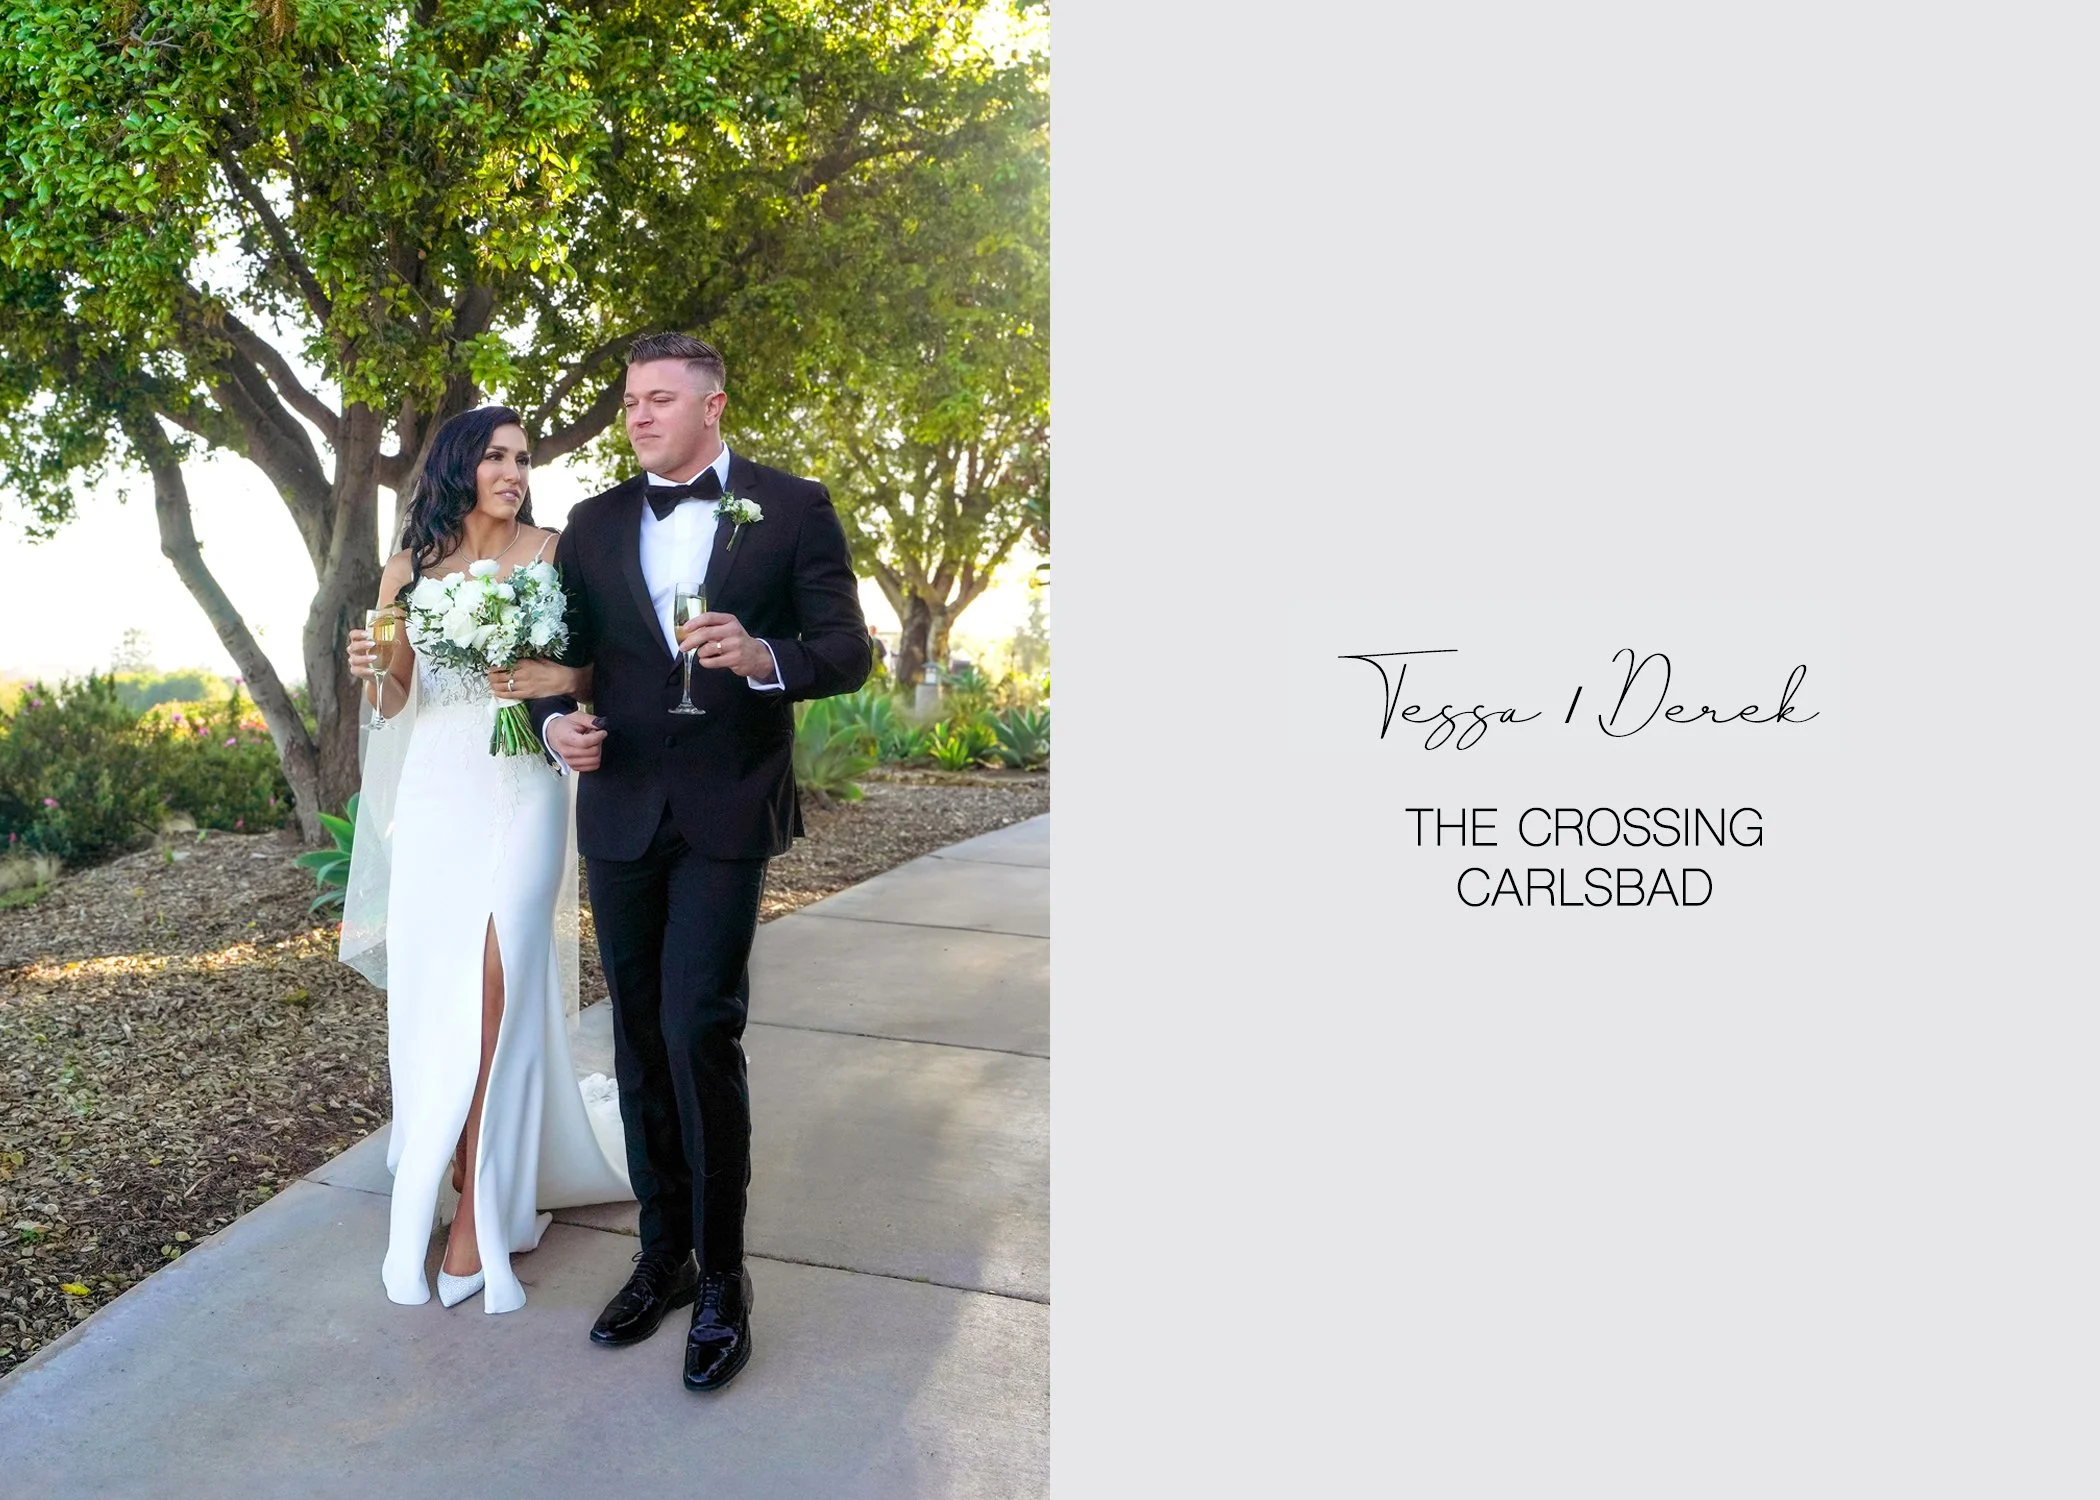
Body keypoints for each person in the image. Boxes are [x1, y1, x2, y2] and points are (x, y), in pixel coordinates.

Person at [527, 332, 871, 1392]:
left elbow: (848, 651)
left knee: (698, 1028)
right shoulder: (589, 524)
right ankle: (661, 1255)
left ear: (714, 407)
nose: (636, 416)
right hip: (622, 806)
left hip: (727, 807)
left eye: (660, 399)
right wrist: (552, 726)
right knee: (635, 1035)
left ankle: (724, 1276)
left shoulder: (794, 506)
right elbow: (562, 657)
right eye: (630, 400)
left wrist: (766, 657)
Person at [340, 405, 633, 1315]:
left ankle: (480, 1218)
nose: (514, 471)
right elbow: (395, 702)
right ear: (461, 467)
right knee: (442, 986)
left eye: (524, 458)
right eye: (499, 456)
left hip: (522, 784)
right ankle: (452, 1164)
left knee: (499, 980)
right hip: (436, 787)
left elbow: (593, 667)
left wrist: (550, 680)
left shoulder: (553, 552)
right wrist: (372, 663)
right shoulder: (405, 569)